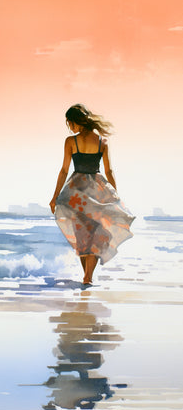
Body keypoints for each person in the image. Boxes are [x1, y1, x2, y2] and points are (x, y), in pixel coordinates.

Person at [49, 103, 136, 285]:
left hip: (76, 191)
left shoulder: (71, 141)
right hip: (97, 189)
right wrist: (114, 196)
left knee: (82, 234)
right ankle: (88, 276)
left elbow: (64, 170)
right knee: (96, 234)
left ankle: (87, 276)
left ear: (76, 122)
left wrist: (55, 196)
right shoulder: (102, 141)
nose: (69, 127)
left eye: (70, 123)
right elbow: (109, 171)